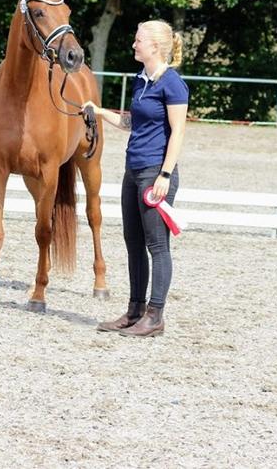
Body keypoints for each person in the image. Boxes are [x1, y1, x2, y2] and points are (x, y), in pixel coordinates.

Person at [84, 19, 189, 338]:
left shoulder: (172, 84)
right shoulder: (140, 80)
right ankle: (134, 311)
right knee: (133, 242)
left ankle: (155, 315)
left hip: (156, 172)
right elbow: (134, 122)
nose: (134, 44)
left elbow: (178, 132)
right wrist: (100, 112)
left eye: (138, 39)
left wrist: (165, 175)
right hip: (133, 170)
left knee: (157, 245)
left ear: (154, 46)